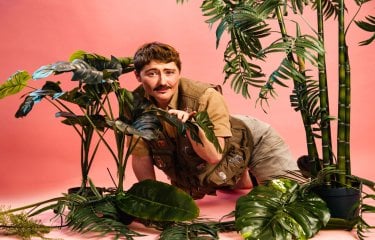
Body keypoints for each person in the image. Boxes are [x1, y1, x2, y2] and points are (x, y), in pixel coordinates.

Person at [129, 42, 304, 199]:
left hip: (251, 138)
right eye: (152, 74)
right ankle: (248, 175)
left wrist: (191, 127)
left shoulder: (206, 96)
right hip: (223, 150)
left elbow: (213, 156)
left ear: (179, 72)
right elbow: (140, 156)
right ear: (138, 76)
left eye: (169, 72)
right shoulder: (133, 105)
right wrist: (151, 199)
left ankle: (311, 172)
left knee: (290, 196)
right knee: (226, 182)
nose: (163, 81)